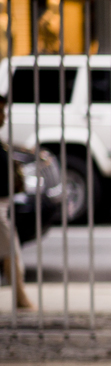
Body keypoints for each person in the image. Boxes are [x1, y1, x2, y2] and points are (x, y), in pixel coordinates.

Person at [0, 94, 34, 310]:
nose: (3, 116)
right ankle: (21, 299)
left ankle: (21, 299)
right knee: (11, 251)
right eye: (1, 111)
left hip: (3, 206)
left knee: (11, 251)